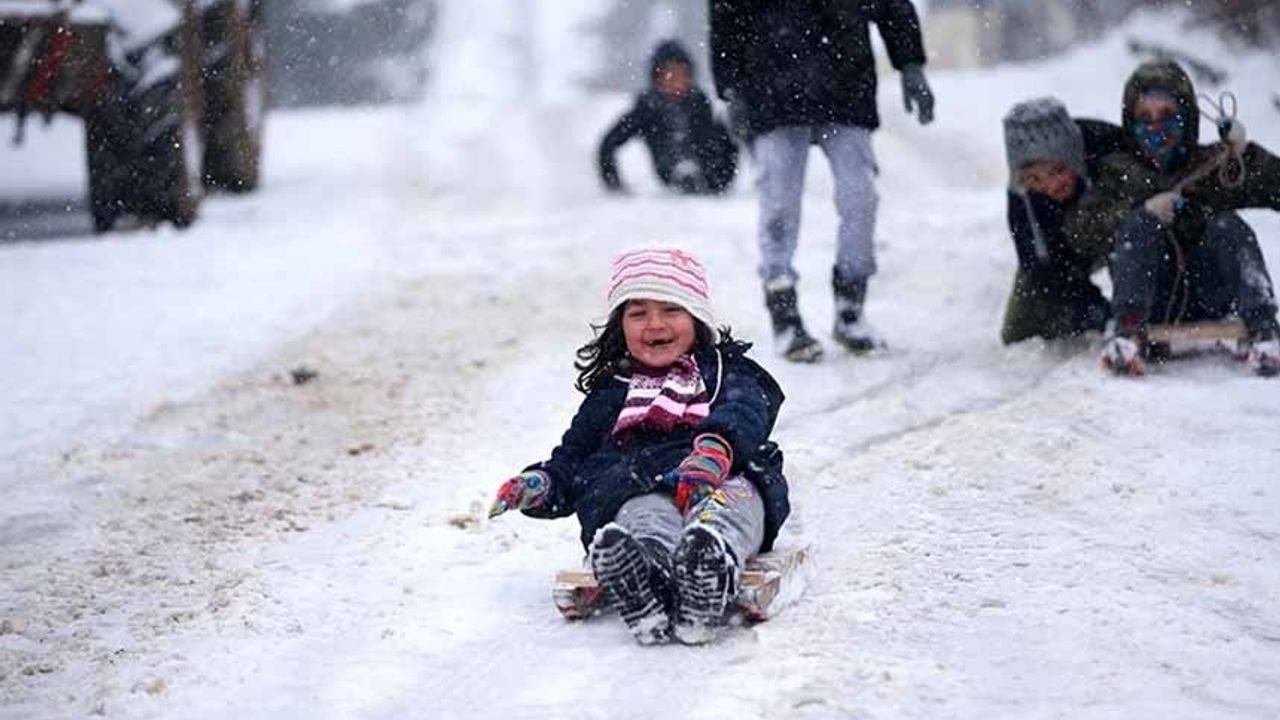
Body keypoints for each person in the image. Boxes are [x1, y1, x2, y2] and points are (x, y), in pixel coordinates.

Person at [487, 247, 791, 645]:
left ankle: (708, 567)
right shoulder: (611, 392)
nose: (654, 324)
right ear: (620, 325)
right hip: (639, 486)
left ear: (697, 317)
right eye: (638, 313)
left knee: (727, 510)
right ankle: (645, 577)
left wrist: (715, 448)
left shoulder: (724, 372)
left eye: (671, 309)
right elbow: (574, 459)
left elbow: (746, 410)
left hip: (721, 478)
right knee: (643, 517)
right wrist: (541, 484)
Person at [708, 0, 934, 362]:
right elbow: (726, 15)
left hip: (846, 85)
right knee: (779, 205)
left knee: (860, 198)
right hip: (771, 89)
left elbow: (892, 5)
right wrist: (731, 87)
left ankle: (850, 307)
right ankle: (783, 311)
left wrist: (910, 63)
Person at [1086, 60, 1280, 376]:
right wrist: (1141, 213)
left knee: (1228, 225)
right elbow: (1084, 229)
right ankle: (1126, 335)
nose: (1155, 127)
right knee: (1137, 226)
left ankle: (1264, 329)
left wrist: (1245, 156)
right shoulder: (1117, 171)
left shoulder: (1212, 163)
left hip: (1209, 290)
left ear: (1186, 117)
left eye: (1167, 115)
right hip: (1149, 298)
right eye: (1145, 117)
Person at [1000, 97, 1129, 345]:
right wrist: (1098, 314)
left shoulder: (1110, 147)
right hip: (1067, 247)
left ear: (1073, 158)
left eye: (1058, 171)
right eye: (1034, 179)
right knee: (1019, 331)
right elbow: (1040, 267)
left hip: (1120, 229)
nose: (1050, 186)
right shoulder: (1022, 198)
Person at [597, 40, 739, 196]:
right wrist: (614, 184)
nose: (676, 82)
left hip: (711, 177)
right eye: (669, 75)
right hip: (669, 172)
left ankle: (694, 174)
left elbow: (725, 144)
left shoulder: (700, 103)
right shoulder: (647, 108)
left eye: (682, 74)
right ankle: (685, 173)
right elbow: (609, 144)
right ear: (657, 78)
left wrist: (722, 177)